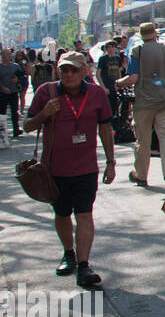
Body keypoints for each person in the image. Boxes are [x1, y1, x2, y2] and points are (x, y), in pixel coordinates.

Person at [23, 53, 115, 290]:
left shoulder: (96, 95)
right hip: (54, 168)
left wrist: (111, 162)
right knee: (62, 214)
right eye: (65, 70)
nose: (69, 75)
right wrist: (44, 113)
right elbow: (27, 125)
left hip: (85, 168)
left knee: (84, 214)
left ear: (85, 71)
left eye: (74, 70)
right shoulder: (47, 92)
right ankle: (69, 254)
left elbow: (105, 128)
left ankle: (84, 265)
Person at [119, 22, 165, 189]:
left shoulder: (137, 51)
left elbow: (133, 78)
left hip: (144, 102)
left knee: (143, 139)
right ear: (155, 35)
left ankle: (141, 175)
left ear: (142, 36)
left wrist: (119, 82)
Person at [94, 39, 124, 125]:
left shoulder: (117, 58)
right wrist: (103, 87)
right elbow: (98, 74)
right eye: (109, 47)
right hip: (106, 85)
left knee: (116, 106)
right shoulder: (103, 59)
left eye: (113, 47)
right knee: (107, 108)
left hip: (115, 85)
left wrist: (119, 83)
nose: (111, 49)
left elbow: (119, 72)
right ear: (106, 49)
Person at [0, 47, 22, 139]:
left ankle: (16, 129)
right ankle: (2, 130)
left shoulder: (15, 66)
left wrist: (17, 79)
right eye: (7, 54)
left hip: (13, 92)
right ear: (2, 56)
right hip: (2, 93)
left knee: (14, 111)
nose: (9, 56)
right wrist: (2, 88)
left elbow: (22, 76)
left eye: (10, 54)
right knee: (2, 112)